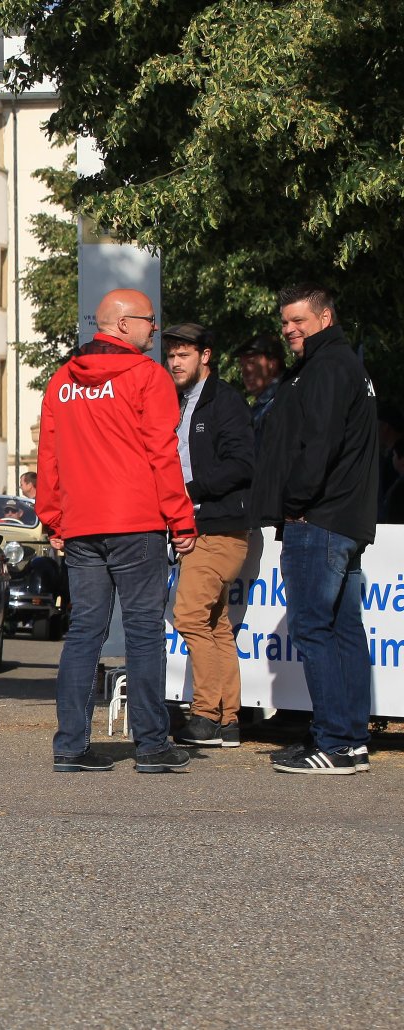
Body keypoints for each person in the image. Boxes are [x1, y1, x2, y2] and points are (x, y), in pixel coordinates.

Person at [38, 289, 197, 774]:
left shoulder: (62, 380)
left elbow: (49, 456)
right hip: (136, 522)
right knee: (144, 632)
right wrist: (181, 518)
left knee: (84, 631)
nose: (155, 328)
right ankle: (151, 746)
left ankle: (70, 746)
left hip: (83, 525)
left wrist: (53, 518)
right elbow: (162, 453)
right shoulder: (148, 377)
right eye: (150, 320)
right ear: (124, 324)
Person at [250, 284, 377, 775]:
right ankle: (350, 740)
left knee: (313, 628)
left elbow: (319, 445)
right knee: (344, 632)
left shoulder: (326, 367)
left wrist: (295, 503)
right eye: (284, 322)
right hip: (343, 520)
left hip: (319, 520)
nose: (289, 329)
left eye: (298, 320)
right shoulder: (343, 365)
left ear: (325, 318)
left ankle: (334, 742)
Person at [161, 323, 255, 749]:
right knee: (216, 625)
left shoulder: (225, 401)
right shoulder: (181, 401)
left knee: (188, 617)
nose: (175, 362)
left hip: (218, 527)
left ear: (205, 356)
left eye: (184, 354)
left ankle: (205, 715)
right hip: (201, 526)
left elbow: (242, 464)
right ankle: (229, 719)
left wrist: (189, 491)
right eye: (171, 355)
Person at [234, 335, 284, 447]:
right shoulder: (262, 405)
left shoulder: (281, 402)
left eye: (251, 363)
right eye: (242, 365)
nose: (245, 372)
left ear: (272, 364)